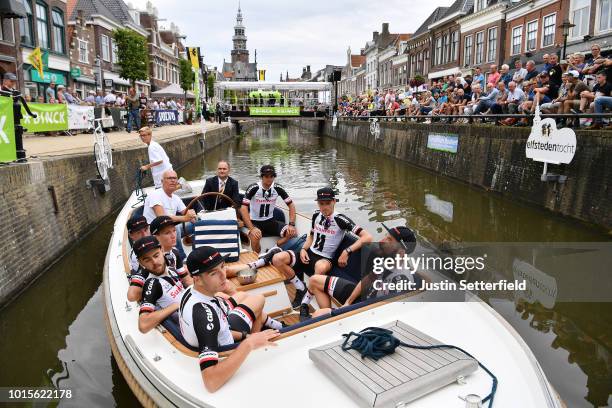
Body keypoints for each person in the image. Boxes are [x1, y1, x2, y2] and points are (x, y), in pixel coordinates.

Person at [178, 246, 282, 392]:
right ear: (197, 279)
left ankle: (262, 326)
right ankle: (260, 344)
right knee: (259, 299)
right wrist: (249, 343)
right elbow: (211, 382)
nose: (223, 276)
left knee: (247, 296)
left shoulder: (190, 291)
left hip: (222, 330)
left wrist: (248, 336)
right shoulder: (205, 316)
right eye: (214, 273)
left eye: (223, 267)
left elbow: (218, 330)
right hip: (229, 348)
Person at [271, 187, 372, 308]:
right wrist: (303, 249)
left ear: (334, 201)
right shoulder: (316, 215)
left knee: (319, 269)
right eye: (321, 203)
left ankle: (305, 302)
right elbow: (311, 235)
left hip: (325, 259)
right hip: (309, 253)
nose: (324, 207)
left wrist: (347, 251)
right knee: (277, 259)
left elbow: (367, 237)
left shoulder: (340, 219)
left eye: (327, 203)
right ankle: (300, 288)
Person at [302, 224, 420, 321]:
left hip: (367, 313)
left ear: (401, 251)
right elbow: (367, 279)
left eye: (389, 240)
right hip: (361, 297)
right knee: (314, 280)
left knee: (318, 315)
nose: (382, 240)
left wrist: (348, 310)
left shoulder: (401, 279)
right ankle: (331, 322)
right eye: (385, 236)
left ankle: (331, 320)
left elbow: (384, 314)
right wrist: (348, 303)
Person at [135, 236, 193, 333]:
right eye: (147, 260)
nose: (154, 262)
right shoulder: (152, 284)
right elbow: (143, 325)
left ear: (162, 250)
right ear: (140, 263)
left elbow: (187, 282)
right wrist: (176, 305)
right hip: (192, 324)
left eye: (156, 255)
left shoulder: (171, 267)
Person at [240, 165, 297, 253]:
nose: (269, 179)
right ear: (261, 177)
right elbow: (243, 208)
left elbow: (291, 205)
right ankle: (258, 258)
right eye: (266, 176)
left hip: (270, 221)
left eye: (272, 176)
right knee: (255, 236)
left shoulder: (278, 188)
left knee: (292, 233)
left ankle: (274, 248)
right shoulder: (253, 188)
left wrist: (291, 224)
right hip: (254, 221)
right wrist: (251, 228)